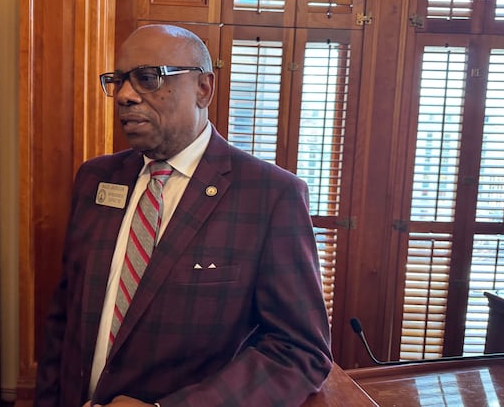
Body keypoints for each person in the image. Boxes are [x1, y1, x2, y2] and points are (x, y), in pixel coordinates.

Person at [34, 24, 332, 407]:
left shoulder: (271, 196)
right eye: (119, 80)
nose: (125, 95)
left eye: (147, 78)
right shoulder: (95, 179)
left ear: (203, 89)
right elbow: (65, 316)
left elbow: (299, 351)